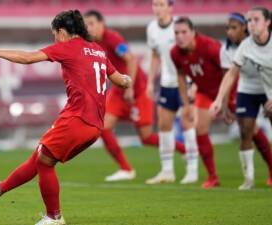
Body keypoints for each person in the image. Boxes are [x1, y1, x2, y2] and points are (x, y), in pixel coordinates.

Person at [0, 10, 131, 225]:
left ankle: (54, 217)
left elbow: (27, 58)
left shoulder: (67, 47)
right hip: (94, 126)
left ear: (62, 32)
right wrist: (131, 81)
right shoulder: (98, 51)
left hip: (77, 118)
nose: (54, 38)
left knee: (45, 161)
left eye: (55, 34)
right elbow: (120, 80)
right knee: (41, 156)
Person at [83, 10, 186, 182]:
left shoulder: (113, 39)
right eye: (86, 24)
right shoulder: (92, 43)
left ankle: (184, 149)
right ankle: (126, 169)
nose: (89, 27)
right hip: (118, 91)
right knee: (103, 127)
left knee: (146, 138)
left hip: (137, 90)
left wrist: (129, 87)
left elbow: (131, 59)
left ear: (102, 24)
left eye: (92, 23)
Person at [211, 8, 272, 189]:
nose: (252, 23)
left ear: (267, 22)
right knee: (245, 130)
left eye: (256, 19)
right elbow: (230, 74)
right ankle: (249, 179)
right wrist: (219, 100)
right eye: (249, 20)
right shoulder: (244, 46)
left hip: (269, 90)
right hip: (248, 89)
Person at [171, 17, 231, 189]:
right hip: (205, 92)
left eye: (184, 32)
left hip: (228, 90)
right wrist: (186, 104)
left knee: (249, 129)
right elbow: (181, 77)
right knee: (200, 129)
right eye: (176, 33)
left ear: (193, 32)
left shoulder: (211, 47)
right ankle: (213, 177)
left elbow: (229, 73)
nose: (180, 36)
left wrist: (224, 102)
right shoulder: (175, 52)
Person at [146, 0, 199, 185]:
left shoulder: (180, 28)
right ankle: (167, 172)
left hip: (185, 82)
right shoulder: (152, 28)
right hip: (166, 83)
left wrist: (195, 83)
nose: (157, 8)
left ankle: (192, 170)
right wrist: (150, 81)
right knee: (163, 125)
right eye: (154, 4)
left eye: (161, 4)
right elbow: (155, 55)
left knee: (187, 124)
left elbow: (194, 53)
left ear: (170, 7)